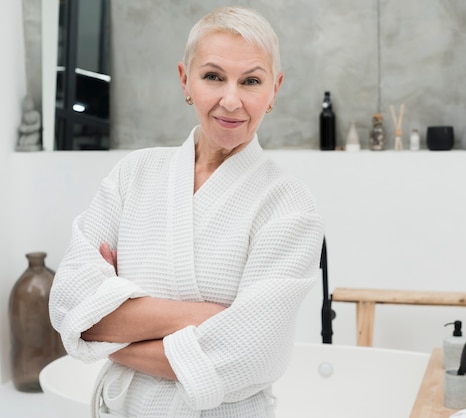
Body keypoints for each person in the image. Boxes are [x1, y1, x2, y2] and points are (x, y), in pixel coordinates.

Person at [49, 6, 324, 417]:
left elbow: (253, 353)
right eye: (213, 76)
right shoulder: (133, 175)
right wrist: (207, 317)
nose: (231, 100)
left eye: (250, 81)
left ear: (274, 90)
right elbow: (70, 305)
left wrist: (112, 332)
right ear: (185, 80)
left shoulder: (287, 203)